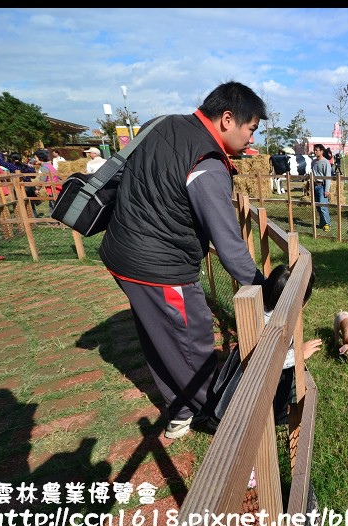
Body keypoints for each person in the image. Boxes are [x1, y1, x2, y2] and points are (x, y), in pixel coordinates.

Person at [98, 81, 267, 439]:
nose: (252, 139)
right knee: (192, 338)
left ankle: (180, 409)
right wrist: (261, 286)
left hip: (121, 252)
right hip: (160, 265)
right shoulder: (207, 162)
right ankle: (219, 414)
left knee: (157, 334)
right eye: (251, 129)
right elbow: (228, 243)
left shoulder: (162, 124)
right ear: (227, 119)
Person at [210, 263, 321, 430]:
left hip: (246, 358)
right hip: (254, 371)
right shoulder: (274, 326)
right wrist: (299, 354)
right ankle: (234, 423)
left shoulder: (266, 307)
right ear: (300, 302)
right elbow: (268, 360)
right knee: (246, 404)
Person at [311, 143, 332, 231]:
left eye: (317, 150)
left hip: (322, 187)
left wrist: (326, 190)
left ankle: (327, 224)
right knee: (318, 206)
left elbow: (328, 176)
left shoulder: (325, 162)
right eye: (314, 150)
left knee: (323, 206)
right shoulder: (314, 162)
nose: (315, 152)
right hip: (314, 186)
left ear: (322, 151)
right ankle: (322, 223)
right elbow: (311, 173)